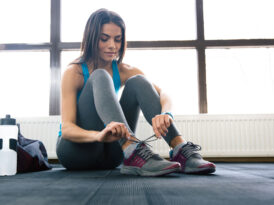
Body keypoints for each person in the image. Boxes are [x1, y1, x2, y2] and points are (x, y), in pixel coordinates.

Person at [56, 8, 215, 176]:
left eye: (117, 40)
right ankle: (132, 148)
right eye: (104, 39)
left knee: (139, 81)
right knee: (99, 75)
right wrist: (98, 135)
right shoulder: (74, 72)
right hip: (75, 152)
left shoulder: (125, 70)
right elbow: (67, 129)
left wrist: (166, 113)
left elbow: (164, 94)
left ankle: (179, 148)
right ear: (92, 38)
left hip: (111, 155)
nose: (112, 46)